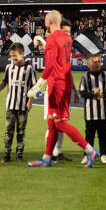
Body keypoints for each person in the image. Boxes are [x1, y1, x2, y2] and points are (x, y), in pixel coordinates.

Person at [27, 10, 98, 168]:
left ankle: (90, 150)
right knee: (52, 124)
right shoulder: (67, 37)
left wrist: (38, 85)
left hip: (56, 85)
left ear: (49, 22)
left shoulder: (52, 38)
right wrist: (44, 43)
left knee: (59, 123)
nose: (44, 22)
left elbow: (50, 64)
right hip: (64, 83)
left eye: (45, 20)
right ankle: (46, 158)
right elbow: (57, 55)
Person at [0, 42, 35, 163]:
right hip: (10, 105)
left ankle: (19, 155)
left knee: (21, 131)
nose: (13, 58)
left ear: (22, 54)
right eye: (11, 56)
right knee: (8, 131)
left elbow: (33, 88)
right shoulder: (9, 68)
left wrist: (30, 101)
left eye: (15, 56)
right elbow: (4, 83)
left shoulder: (29, 69)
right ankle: (6, 155)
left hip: (23, 106)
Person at [79, 53, 106, 165]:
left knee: (103, 134)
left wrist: (104, 94)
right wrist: (92, 93)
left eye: (99, 61)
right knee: (89, 135)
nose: (98, 64)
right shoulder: (85, 77)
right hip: (90, 113)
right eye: (95, 62)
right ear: (89, 64)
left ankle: (104, 154)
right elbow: (82, 93)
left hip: (103, 112)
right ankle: (87, 155)